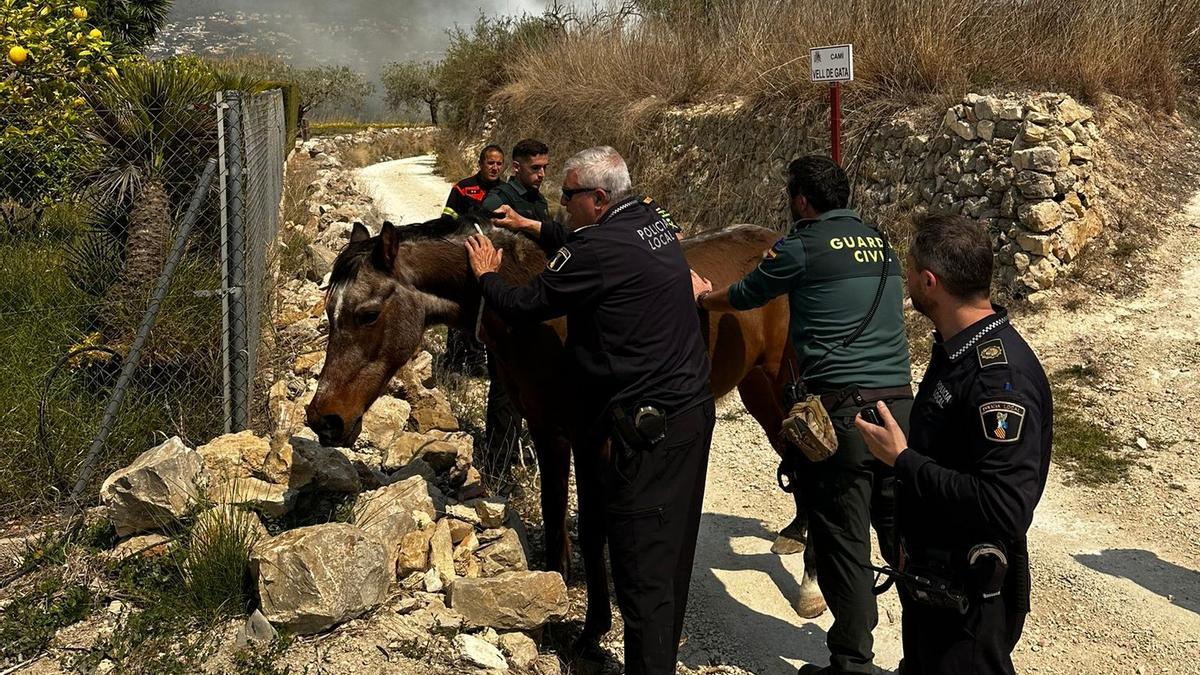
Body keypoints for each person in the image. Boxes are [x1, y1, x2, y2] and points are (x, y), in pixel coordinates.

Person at [465, 146, 714, 675]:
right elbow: (577, 241)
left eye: (568, 195)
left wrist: (488, 276)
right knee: (672, 560)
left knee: (639, 570)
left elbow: (525, 305)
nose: (560, 202)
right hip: (692, 413)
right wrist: (535, 227)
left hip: (648, 429)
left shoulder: (598, 250)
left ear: (599, 199)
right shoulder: (650, 221)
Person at [692, 155, 913, 675]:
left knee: (843, 538)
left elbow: (747, 294)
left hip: (844, 414)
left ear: (801, 201)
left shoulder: (801, 247)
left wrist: (706, 296)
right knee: (901, 535)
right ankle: (927, 654)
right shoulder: (882, 243)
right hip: (901, 407)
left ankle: (851, 662)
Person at [854, 214, 1052, 675]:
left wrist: (902, 460)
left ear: (930, 281)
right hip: (935, 585)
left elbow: (1004, 506)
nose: (908, 284)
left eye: (911, 273)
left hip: (968, 598)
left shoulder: (999, 381)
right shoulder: (957, 350)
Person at [481, 138, 551, 222]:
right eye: (535, 168)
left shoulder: (540, 200)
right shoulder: (499, 199)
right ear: (516, 167)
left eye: (545, 167)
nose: (542, 174)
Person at [443, 144, 505, 221]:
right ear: (480, 164)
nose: (495, 168)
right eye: (490, 163)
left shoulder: (506, 190)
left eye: (499, 164)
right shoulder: (462, 188)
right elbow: (447, 219)